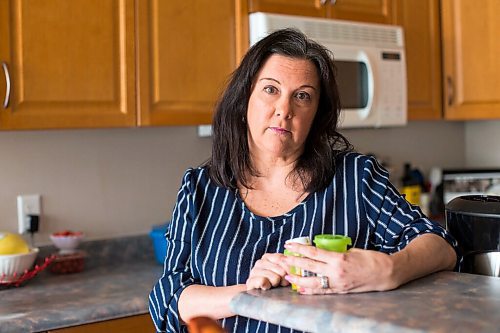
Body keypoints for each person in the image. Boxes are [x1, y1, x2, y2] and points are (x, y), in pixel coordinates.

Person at [149, 28, 459, 333]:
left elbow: (441, 247)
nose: (284, 110)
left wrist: (387, 270)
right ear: (245, 100)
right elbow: (170, 299)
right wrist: (249, 295)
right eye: (271, 89)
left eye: (302, 96)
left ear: (316, 115)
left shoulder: (356, 179)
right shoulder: (201, 189)